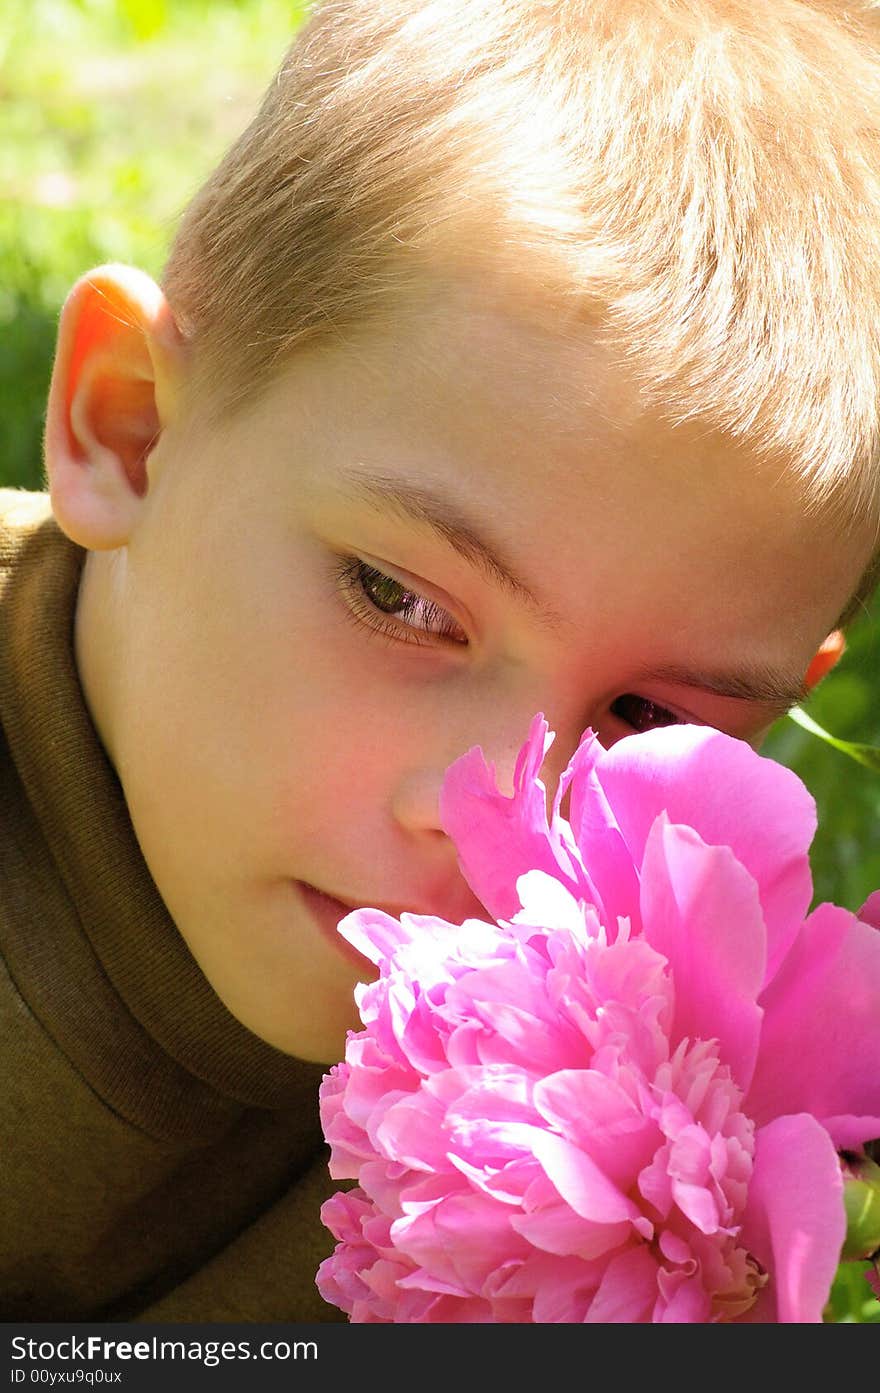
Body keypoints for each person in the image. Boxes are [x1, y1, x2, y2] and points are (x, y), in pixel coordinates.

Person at [3, 0, 879, 1321]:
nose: (492, 836)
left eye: (645, 715)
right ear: (125, 428)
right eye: (400, 598)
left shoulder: (679, 1115)